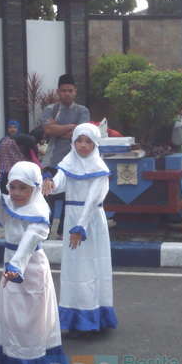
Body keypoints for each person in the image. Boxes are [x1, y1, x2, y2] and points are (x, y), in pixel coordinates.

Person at [0, 159, 69, 364]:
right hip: (11, 265)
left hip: (29, 268)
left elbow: (28, 243)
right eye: (13, 187)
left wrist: (16, 266)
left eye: (24, 188)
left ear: (36, 188)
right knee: (10, 315)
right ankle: (11, 359)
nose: (17, 193)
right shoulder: (11, 202)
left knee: (30, 320)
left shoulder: (40, 212)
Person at [43, 123, 116, 334]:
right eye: (79, 140)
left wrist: (80, 227)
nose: (83, 145)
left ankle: (93, 316)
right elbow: (59, 183)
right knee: (73, 269)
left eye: (88, 141)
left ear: (95, 143)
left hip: (90, 221)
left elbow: (93, 201)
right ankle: (74, 315)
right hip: (72, 218)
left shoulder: (99, 170)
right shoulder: (69, 163)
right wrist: (48, 181)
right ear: (73, 142)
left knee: (92, 267)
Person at [41, 74, 91, 236]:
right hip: (52, 162)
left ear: (75, 91)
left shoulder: (83, 111)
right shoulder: (50, 109)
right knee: (47, 199)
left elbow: (81, 136)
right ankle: (43, 232)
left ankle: (64, 232)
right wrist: (70, 126)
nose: (67, 94)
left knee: (69, 200)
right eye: (64, 91)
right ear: (58, 92)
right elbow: (48, 130)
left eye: (70, 90)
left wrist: (58, 129)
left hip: (75, 164)